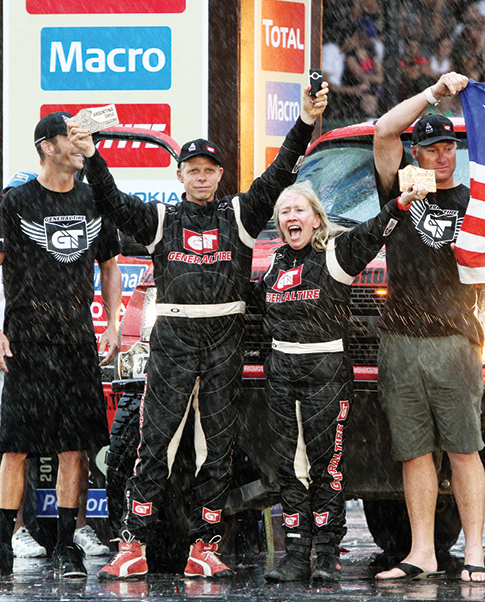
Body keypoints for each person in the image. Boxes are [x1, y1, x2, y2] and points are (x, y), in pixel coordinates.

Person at [92, 84, 328, 580]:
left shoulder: (241, 213)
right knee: (154, 445)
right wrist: (92, 153)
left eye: (208, 170)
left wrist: (306, 120)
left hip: (224, 343)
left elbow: (282, 170)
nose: (201, 177)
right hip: (174, 344)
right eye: (192, 170)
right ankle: (131, 545)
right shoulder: (160, 217)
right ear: (179, 176)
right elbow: (110, 201)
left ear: (220, 175)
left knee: (216, 449)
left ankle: (205, 545)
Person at [0, 111, 122, 580]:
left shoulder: (93, 197)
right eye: (70, 139)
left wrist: (113, 322)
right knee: (15, 447)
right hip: (27, 340)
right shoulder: (18, 201)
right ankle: (0, 548)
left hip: (76, 339)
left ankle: (64, 546)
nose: (80, 146)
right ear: (46, 146)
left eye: (83, 139)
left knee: (73, 449)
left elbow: (112, 265)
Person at [259, 181, 429, 583]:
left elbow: (373, 230)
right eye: (285, 212)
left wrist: (399, 203)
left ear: (316, 218)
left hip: (326, 370)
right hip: (281, 371)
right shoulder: (272, 262)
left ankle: (326, 554)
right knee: (290, 466)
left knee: (327, 466)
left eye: (299, 210)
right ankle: (297, 554)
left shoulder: (336, 253)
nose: (291, 218)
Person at [371, 72, 485, 583]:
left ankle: (477, 553)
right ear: (416, 153)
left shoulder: (475, 202)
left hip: (454, 337)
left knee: (464, 448)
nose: (442, 157)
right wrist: (434, 94)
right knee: (414, 452)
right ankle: (422, 552)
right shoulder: (398, 192)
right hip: (399, 337)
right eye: (433, 148)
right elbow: (382, 131)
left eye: (449, 149)